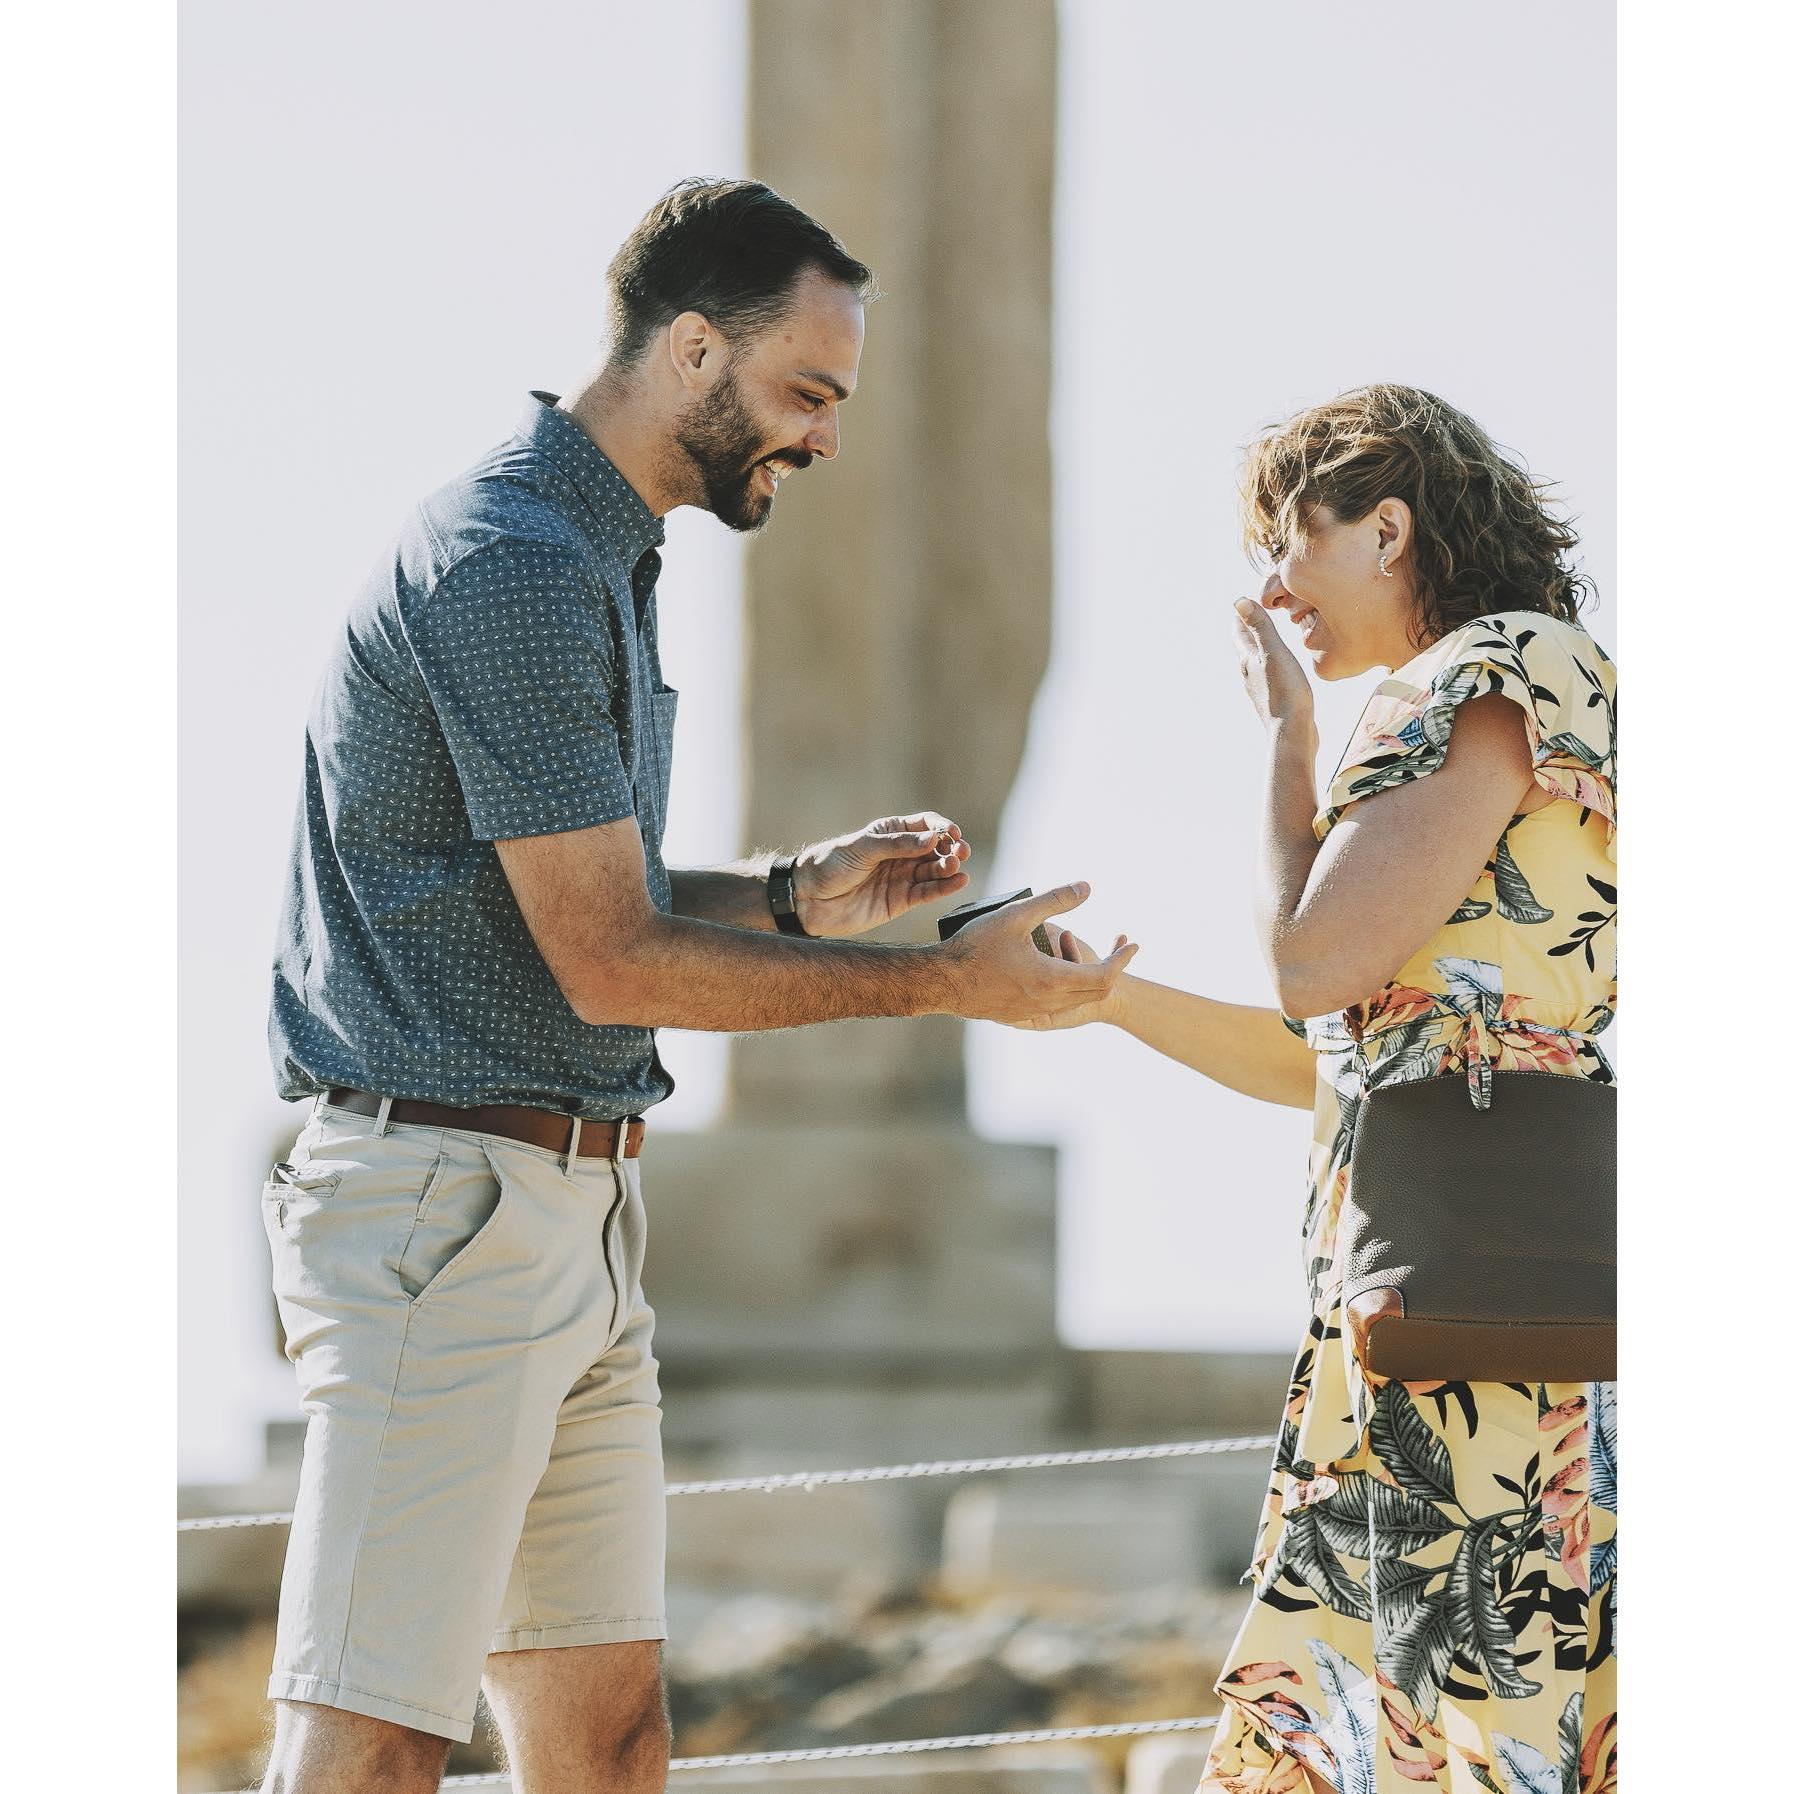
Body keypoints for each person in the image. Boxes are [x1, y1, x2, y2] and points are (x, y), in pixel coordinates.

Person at [258, 177, 1136, 1794]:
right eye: (806, 392)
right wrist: (945, 987)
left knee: (608, 1746)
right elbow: (613, 964)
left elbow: (583, 898)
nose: (822, 435)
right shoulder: (511, 564)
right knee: (373, 1741)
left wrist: (804, 897)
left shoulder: (594, 554)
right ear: (685, 352)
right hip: (444, 1213)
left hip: (565, 1215)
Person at [1040, 385, 1616, 1793]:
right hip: (1421, 1316)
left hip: (1477, 1344)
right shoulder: (1481, 691)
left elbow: (1309, 962)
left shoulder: (1495, 672)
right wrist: (1106, 997)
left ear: (1386, 526)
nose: (1270, 585)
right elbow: (1343, 1061)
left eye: (1286, 538)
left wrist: (1286, 746)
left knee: (1458, 1719)